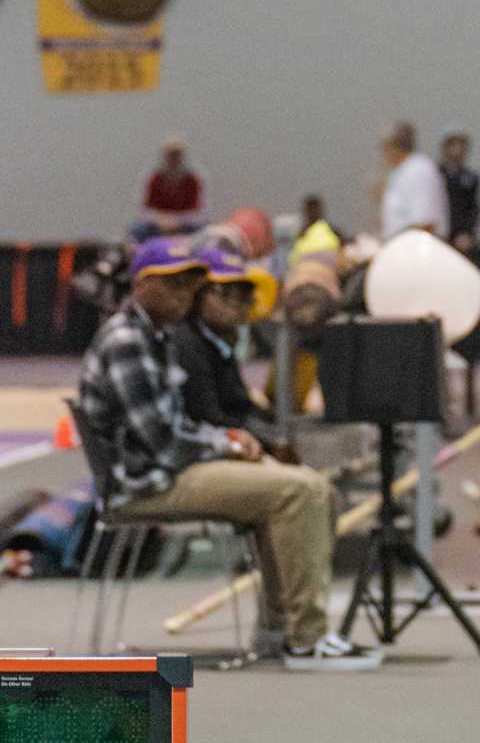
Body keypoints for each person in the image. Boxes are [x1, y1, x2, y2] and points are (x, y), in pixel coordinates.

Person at [77, 239, 369, 669]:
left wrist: (232, 442)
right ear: (141, 285)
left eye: (191, 285)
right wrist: (227, 443)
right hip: (150, 483)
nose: (185, 295)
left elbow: (178, 424)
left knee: (308, 486)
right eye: (174, 285)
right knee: (300, 491)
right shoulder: (127, 340)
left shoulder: (152, 335)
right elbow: (162, 441)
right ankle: (306, 639)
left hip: (166, 471)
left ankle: (279, 631)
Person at [171, 248, 286, 459]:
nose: (235, 305)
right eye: (225, 293)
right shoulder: (186, 343)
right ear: (198, 294)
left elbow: (240, 404)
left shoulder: (220, 341)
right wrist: (267, 442)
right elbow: (206, 414)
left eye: (243, 296)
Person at [378, 122, 448, 240]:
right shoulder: (399, 172)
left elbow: (425, 223)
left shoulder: (419, 170)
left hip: (418, 251)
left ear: (394, 147)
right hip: (399, 248)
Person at [136, 137, 205, 241]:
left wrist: (177, 221)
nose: (173, 159)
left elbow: (197, 211)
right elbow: (147, 209)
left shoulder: (192, 178)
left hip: (185, 223)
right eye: (171, 155)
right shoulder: (155, 178)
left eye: (177, 155)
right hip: (159, 222)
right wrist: (161, 220)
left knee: (203, 229)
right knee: (137, 230)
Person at [440, 133, 480, 250]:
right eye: (453, 145)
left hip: (460, 234)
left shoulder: (471, 177)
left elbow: (474, 208)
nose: (457, 151)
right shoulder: (436, 174)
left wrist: (467, 232)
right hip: (440, 230)